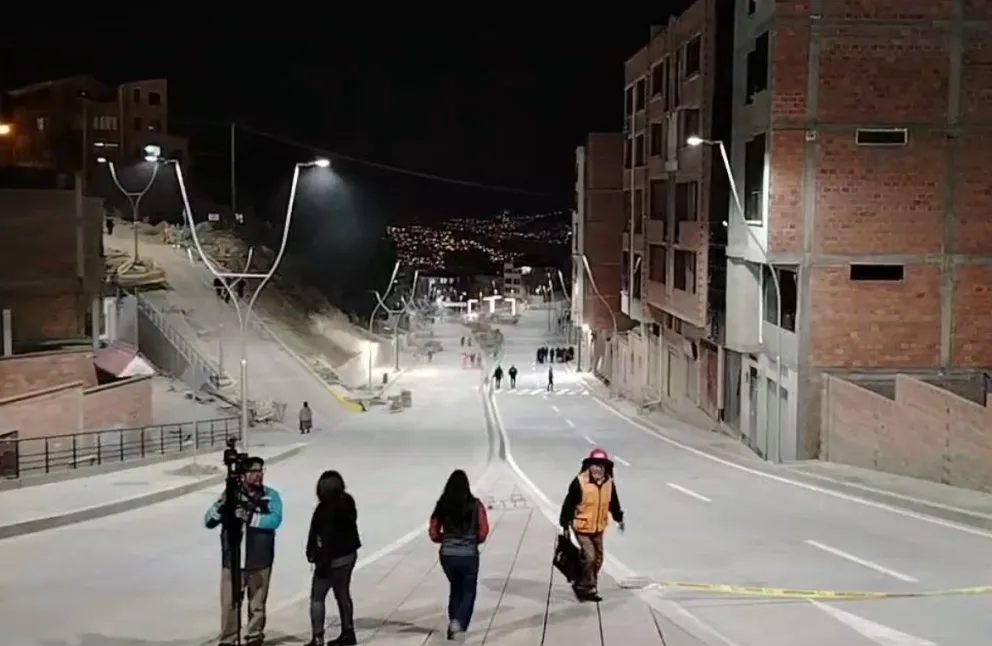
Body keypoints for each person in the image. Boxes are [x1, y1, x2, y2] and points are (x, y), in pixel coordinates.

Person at [204, 457, 284, 646]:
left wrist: (250, 517)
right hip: (232, 561)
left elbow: (275, 520)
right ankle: (229, 639)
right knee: (229, 603)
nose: (259, 475)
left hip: (260, 559)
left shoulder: (271, 496)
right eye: (253, 471)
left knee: (257, 603)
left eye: (261, 471)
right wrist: (221, 506)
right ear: (242, 475)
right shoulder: (230, 496)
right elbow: (209, 521)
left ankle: (254, 636)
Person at [429, 470, 490, 641]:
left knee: (456, 588)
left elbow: (433, 533)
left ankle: (454, 622)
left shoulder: (442, 505)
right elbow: (483, 531)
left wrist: (445, 539)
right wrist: (472, 540)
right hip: (469, 554)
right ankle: (459, 623)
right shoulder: (475, 505)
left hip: (447, 554)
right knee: (469, 590)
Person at [558, 449, 624, 602]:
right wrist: (565, 523)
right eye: (595, 465)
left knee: (598, 559)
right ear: (589, 465)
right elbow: (569, 503)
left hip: (598, 527)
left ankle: (586, 583)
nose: (598, 469)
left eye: (602, 466)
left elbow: (613, 502)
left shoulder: (608, 483)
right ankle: (587, 587)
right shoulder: (580, 482)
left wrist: (619, 518)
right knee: (590, 556)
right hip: (581, 526)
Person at [305, 470, 361, 646]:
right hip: (349, 555)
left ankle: (318, 637)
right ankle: (348, 631)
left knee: (317, 597)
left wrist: (318, 560)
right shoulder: (347, 502)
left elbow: (324, 539)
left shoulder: (324, 511)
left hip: (331, 559)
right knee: (343, 593)